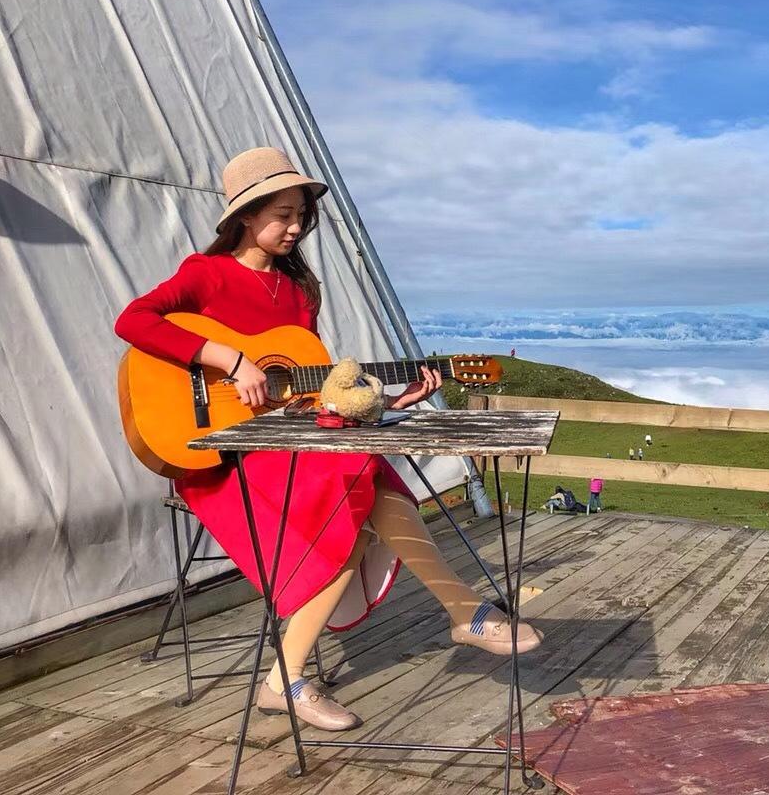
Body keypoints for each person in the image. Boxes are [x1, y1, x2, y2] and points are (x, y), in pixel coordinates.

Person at [114, 147, 540, 732]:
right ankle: (297, 676)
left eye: (301, 216)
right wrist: (230, 359)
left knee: (366, 472)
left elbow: (316, 393)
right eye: (283, 214)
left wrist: (389, 400)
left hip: (290, 445)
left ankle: (455, 614)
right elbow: (133, 321)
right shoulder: (205, 274)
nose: (295, 227)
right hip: (224, 454)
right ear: (244, 216)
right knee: (350, 497)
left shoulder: (298, 291)